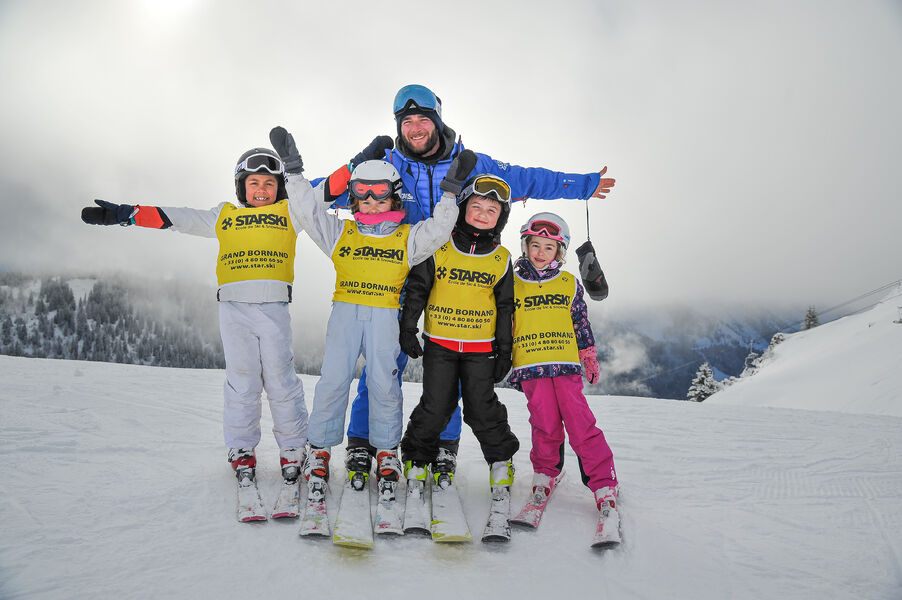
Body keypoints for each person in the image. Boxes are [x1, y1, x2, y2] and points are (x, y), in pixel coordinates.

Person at [342, 83, 617, 478]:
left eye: (423, 120)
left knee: (450, 372)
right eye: (407, 122)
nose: (416, 128)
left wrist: (583, 184)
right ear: (398, 126)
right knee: (383, 366)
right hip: (397, 279)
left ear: (438, 121)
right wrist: (348, 167)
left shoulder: (472, 163)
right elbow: (331, 194)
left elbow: (529, 179)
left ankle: (443, 445)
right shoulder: (385, 165)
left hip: (460, 280)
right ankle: (363, 440)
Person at [80, 147, 311, 495]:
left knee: (281, 378)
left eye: (268, 182)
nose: (261, 189)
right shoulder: (225, 215)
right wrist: (128, 214)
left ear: (279, 187)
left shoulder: (290, 210)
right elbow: (179, 218)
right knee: (242, 381)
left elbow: (325, 191)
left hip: (274, 307)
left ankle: (293, 447)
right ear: (241, 186)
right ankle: (242, 448)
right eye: (253, 182)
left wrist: (359, 162)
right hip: (233, 309)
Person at [270, 127, 474, 501]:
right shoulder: (341, 234)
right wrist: (294, 171)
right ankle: (319, 449)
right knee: (333, 380)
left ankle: (385, 450)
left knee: (383, 385)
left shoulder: (407, 237)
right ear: (353, 199)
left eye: (381, 196)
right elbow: (307, 211)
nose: (372, 203)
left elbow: (441, 229)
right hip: (346, 317)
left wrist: (450, 190)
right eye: (363, 196)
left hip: (385, 319)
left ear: (395, 197)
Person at [398, 173, 519, 494]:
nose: (482, 214)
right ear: (463, 207)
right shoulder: (440, 247)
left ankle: (501, 461)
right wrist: (408, 326)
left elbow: (506, 308)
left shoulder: (501, 259)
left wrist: (505, 351)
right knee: (437, 406)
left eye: (491, 210)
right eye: (476, 206)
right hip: (440, 345)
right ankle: (416, 459)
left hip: (482, 350)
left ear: (500, 219)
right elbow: (418, 289)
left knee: (482, 409)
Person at [508, 211, 620, 540]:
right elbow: (503, 322)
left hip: (565, 364)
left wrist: (587, 354)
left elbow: (580, 322)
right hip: (530, 364)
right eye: (535, 245)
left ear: (560, 252)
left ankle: (604, 485)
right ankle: (546, 475)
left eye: (549, 247)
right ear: (525, 245)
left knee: (580, 424)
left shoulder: (569, 283)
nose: (541, 253)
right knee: (544, 423)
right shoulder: (511, 283)